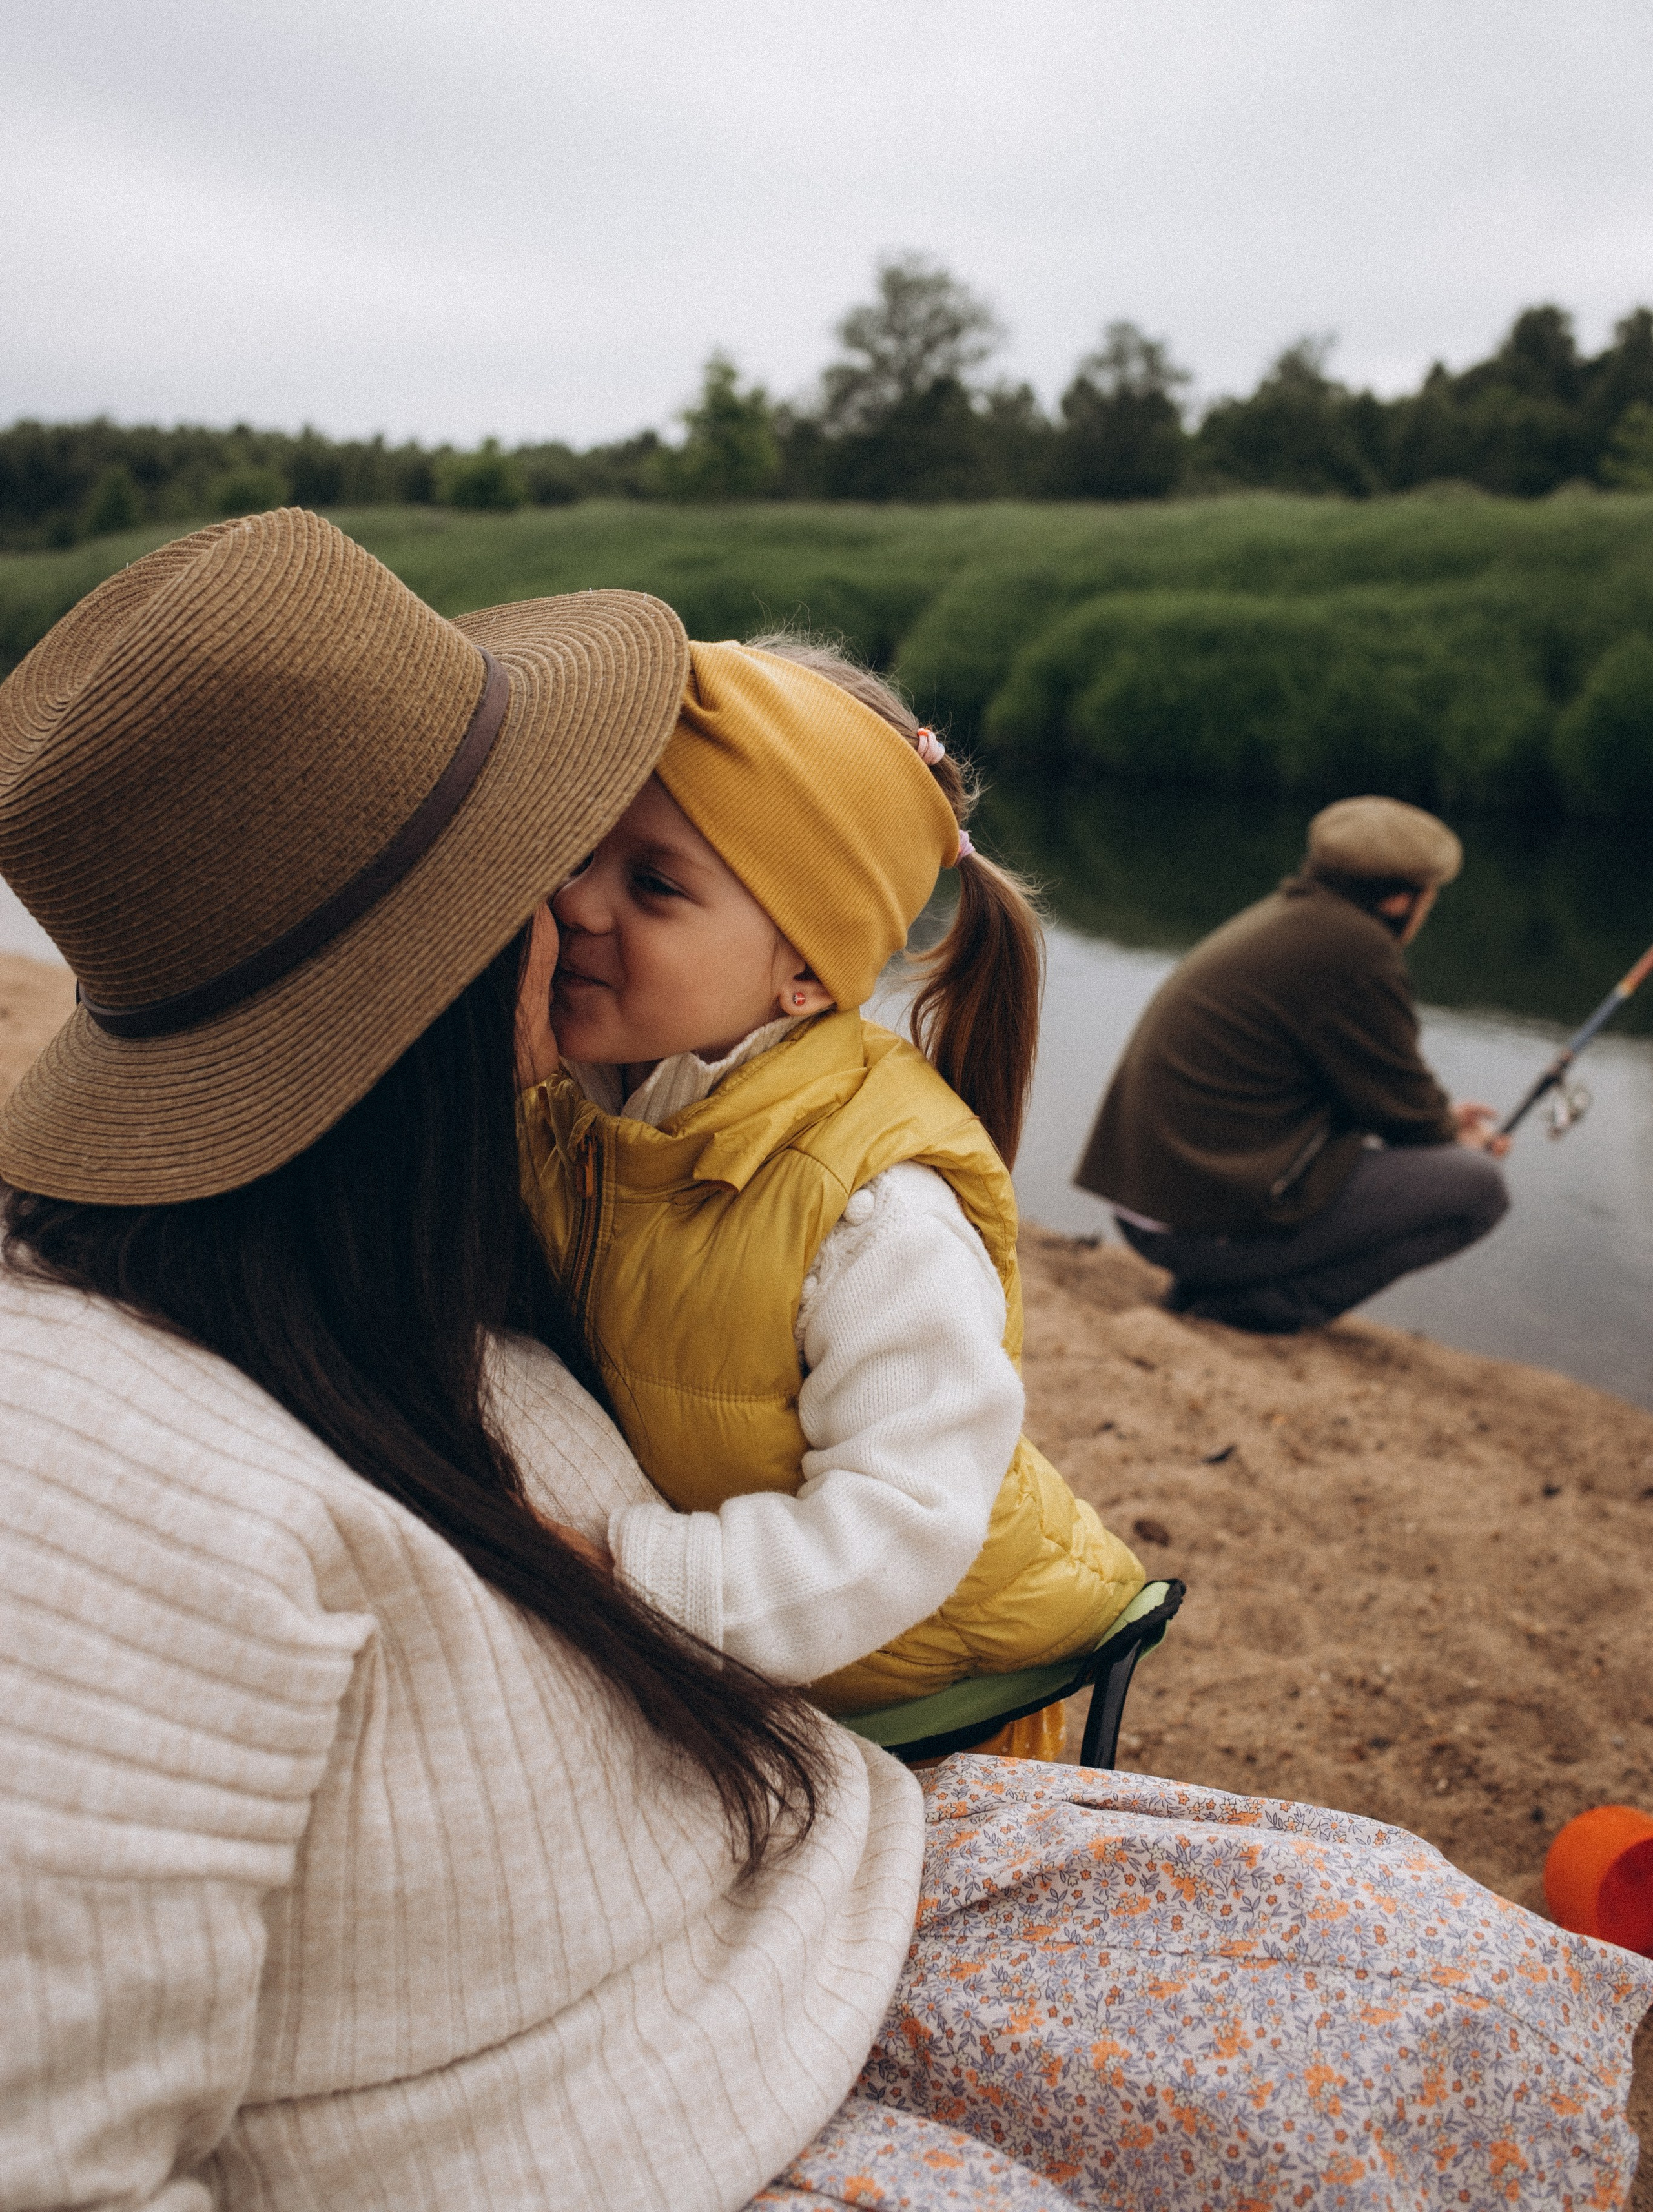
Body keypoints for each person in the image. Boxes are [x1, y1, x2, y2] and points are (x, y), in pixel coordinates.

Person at [2, 515, 1647, 2212]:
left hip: (847, 1770)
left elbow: (902, 1506)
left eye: (626, 865)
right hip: (710, 1970)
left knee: (1460, 1997)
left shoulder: (464, 1205)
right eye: (548, 856)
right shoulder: (113, 1476)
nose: (572, 905)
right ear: (413, 992)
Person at [515, 633, 1142, 1752]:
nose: (575, 905)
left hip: (929, 1690)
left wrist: (625, 1576)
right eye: (577, 855)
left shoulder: (874, 1210)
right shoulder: (581, 1107)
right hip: (752, 1631)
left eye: (653, 884)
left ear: (806, 970)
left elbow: (900, 1528)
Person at [1076, 795, 1512, 1332]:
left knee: (1446, 1165)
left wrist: (1443, 1122)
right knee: (1478, 1187)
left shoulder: (1291, 918)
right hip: (1193, 1227)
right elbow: (1408, 1117)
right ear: (1401, 901)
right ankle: (1260, 1309)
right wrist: (1454, 1135)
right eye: (1429, 901)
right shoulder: (1356, 952)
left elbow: (1384, 1094)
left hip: (1158, 1204)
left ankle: (1215, 1286)